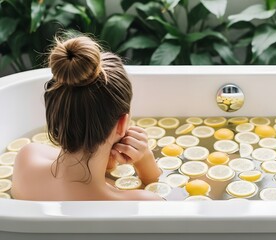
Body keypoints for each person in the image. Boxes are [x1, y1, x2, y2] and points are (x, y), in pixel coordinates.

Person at [11, 34, 163, 201]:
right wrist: (145, 162)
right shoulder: (142, 203)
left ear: (56, 112)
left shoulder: (27, 158)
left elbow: (75, 170)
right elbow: (157, 191)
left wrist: (105, 161)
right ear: (122, 124)